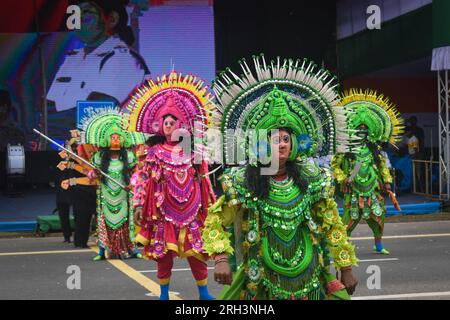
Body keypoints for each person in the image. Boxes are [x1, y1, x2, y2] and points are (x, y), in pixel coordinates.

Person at [202, 55, 358, 300]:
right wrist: (221, 260)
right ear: (260, 145)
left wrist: (346, 268)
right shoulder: (244, 181)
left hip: (310, 276)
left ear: (295, 143)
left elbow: (333, 225)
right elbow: (215, 222)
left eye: (286, 139)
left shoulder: (311, 177)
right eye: (275, 140)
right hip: (261, 279)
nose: (282, 145)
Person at [124, 72, 219, 300]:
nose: (168, 125)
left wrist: (211, 206)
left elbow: (204, 179)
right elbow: (143, 180)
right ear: (160, 126)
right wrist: (138, 204)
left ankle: (204, 292)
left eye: (172, 121)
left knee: (197, 252)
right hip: (163, 211)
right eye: (165, 122)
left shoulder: (193, 151)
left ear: (181, 125)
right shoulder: (154, 152)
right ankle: (164, 293)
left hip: (193, 209)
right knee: (163, 255)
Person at [60, 110, 146, 259]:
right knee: (104, 223)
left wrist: (131, 184)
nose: (115, 140)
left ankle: (132, 249)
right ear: (107, 139)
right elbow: (92, 174)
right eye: (113, 137)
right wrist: (93, 174)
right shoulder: (99, 157)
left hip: (123, 194)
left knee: (126, 223)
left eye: (118, 137)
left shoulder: (129, 156)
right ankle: (102, 250)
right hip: (105, 195)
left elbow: (136, 174)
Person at [47, 0, 150, 122]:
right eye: (74, 14)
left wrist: (48, 120)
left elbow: (97, 115)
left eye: (86, 12)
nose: (77, 20)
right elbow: (47, 107)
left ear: (112, 19)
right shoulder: (73, 58)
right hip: (64, 138)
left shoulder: (124, 59)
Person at [331, 89, 404, 255]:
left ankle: (378, 244)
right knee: (350, 219)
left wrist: (386, 181)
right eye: (359, 129)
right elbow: (334, 166)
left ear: (369, 131)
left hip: (371, 188)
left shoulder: (373, 148)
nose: (362, 132)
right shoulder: (345, 149)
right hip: (353, 189)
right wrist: (343, 178)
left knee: (379, 217)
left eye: (365, 129)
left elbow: (382, 166)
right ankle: (344, 247)